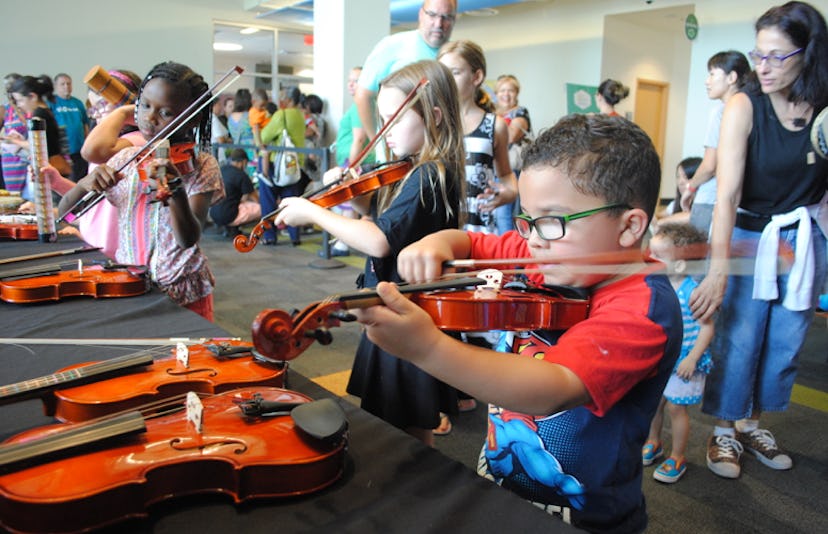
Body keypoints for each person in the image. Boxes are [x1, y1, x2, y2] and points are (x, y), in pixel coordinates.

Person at [351, 113, 682, 532]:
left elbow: (551, 388)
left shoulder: (643, 307)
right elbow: (472, 241)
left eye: (552, 220)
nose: (533, 238)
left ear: (629, 226)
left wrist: (427, 348)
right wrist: (434, 242)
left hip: (583, 519)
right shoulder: (540, 254)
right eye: (526, 219)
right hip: (497, 484)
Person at [274, 59, 466, 447]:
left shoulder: (429, 174)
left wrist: (313, 211)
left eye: (395, 119)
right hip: (395, 306)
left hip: (406, 310)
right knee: (398, 419)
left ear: (434, 116)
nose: (385, 131)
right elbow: (382, 220)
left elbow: (379, 240)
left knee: (407, 426)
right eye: (382, 119)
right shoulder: (413, 168)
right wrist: (352, 198)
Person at [690, 1, 828, 480]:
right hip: (750, 234)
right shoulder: (743, 104)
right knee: (741, 338)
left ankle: (753, 424)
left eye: (777, 56)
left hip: (805, 239)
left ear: (808, 55)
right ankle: (724, 429)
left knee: (785, 343)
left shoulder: (824, 108)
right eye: (759, 54)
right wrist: (718, 270)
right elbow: (725, 195)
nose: (762, 67)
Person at [58, 61, 225, 321]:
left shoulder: (202, 165)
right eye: (145, 105)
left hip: (181, 287)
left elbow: (188, 238)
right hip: (130, 283)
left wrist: (175, 191)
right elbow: (65, 215)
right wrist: (83, 185)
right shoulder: (124, 157)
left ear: (192, 119)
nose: (150, 118)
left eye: (166, 112)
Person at [643, 222, 714, 484]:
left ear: (681, 265)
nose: (650, 259)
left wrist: (692, 357)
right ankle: (653, 441)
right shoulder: (655, 284)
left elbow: (707, 328)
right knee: (654, 404)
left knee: (675, 408)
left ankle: (677, 456)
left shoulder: (691, 290)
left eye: (658, 256)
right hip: (662, 359)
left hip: (685, 361)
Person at [438, 40, 517, 234]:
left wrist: (510, 193)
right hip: (439, 225)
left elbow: (506, 174)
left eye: (454, 73)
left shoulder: (494, 125)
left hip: (477, 227)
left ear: (477, 76)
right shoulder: (434, 122)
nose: (446, 80)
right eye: (442, 73)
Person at [354, 0, 456, 141]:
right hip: (397, 148)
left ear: (454, 19)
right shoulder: (392, 45)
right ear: (421, 14)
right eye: (432, 15)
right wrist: (378, 141)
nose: (438, 24)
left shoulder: (454, 55)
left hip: (441, 145)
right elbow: (363, 96)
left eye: (446, 17)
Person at [680, 51, 751, 236]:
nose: (707, 81)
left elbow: (710, 165)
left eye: (712, 74)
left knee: (702, 258)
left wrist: (691, 186)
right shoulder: (752, 108)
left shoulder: (721, 112)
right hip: (740, 203)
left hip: (712, 198)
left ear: (732, 77)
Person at [328, 66, 374, 257]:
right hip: (355, 160)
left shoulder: (359, 105)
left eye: (356, 80)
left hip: (356, 161)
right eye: (350, 80)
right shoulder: (361, 104)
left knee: (349, 202)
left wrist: (351, 167)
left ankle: (343, 244)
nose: (351, 84)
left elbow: (359, 139)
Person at [259, 86, 307, 246]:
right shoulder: (301, 116)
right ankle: (294, 236)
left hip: (275, 164)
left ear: (289, 99)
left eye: (282, 97)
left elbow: (264, 136)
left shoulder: (282, 114)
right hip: (294, 164)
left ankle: (270, 236)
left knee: (268, 200)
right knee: (291, 200)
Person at [6, 75, 72, 179]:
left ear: (32, 96)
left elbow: (36, 145)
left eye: (20, 100)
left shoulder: (38, 116)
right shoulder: (46, 111)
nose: (19, 105)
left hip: (50, 168)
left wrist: (14, 141)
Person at [494, 73, 532, 234]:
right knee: (495, 215)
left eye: (510, 90)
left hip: (510, 169)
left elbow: (510, 136)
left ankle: (507, 255)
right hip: (492, 168)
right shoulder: (493, 113)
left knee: (505, 215)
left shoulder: (520, 112)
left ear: (517, 93)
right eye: (502, 90)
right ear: (496, 94)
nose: (506, 94)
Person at [209, 148, 261, 237]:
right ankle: (234, 227)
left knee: (230, 204)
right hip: (229, 215)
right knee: (261, 208)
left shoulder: (222, 169)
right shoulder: (242, 175)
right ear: (243, 162)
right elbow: (255, 198)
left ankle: (228, 228)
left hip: (213, 213)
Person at [50, 73, 89, 181]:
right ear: (56, 86)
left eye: (68, 83)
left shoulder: (77, 103)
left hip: (79, 151)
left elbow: (85, 124)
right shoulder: (52, 103)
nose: (66, 86)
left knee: (80, 179)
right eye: (62, 84)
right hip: (63, 153)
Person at [652, 157, 701, 232]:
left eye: (685, 177)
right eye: (678, 177)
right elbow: (660, 216)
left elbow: (692, 217)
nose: (680, 182)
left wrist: (663, 222)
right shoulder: (675, 204)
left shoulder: (703, 205)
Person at [1, 73, 27, 193]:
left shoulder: (27, 106)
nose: (9, 91)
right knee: (14, 196)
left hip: (27, 156)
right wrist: (6, 139)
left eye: (12, 87)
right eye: (7, 88)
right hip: (10, 159)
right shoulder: (4, 109)